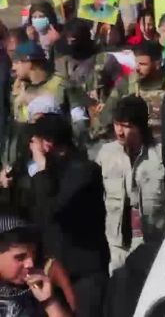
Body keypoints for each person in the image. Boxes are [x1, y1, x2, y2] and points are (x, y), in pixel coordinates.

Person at [26, 115, 109, 317]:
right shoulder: (53, 172)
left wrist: (41, 170)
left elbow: (51, 210)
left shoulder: (84, 171)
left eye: (35, 142)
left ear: (47, 144)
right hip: (53, 271)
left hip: (83, 274)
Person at [95, 96, 165, 272]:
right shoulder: (106, 155)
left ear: (141, 127)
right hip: (116, 246)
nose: (120, 132)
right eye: (117, 124)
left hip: (153, 245)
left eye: (127, 126)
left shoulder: (160, 156)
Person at [0, 216, 74, 317]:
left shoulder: (35, 289)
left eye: (33, 254)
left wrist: (49, 302)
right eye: (20, 257)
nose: (30, 264)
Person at [100, 42, 165, 142]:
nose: (137, 68)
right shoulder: (127, 83)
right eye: (136, 63)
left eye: (142, 64)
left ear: (157, 64)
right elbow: (107, 115)